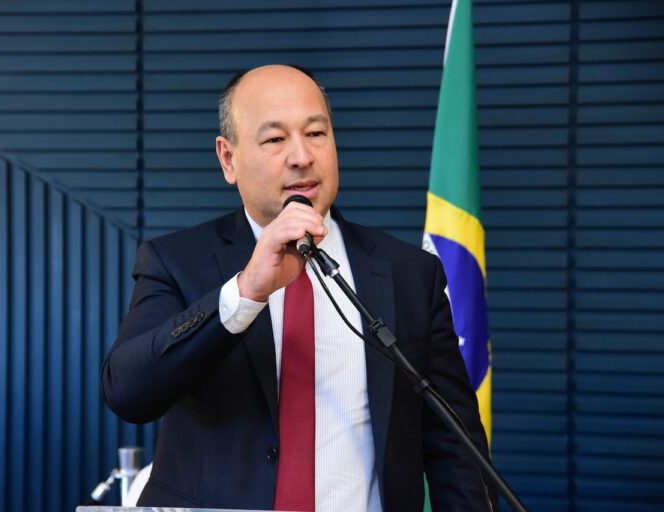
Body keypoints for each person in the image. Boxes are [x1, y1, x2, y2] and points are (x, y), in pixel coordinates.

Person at [101, 64, 495, 511]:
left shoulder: (410, 273)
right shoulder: (177, 261)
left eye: (316, 133)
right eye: (275, 139)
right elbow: (127, 392)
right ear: (228, 159)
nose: (302, 156)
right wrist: (245, 292)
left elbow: (456, 450)